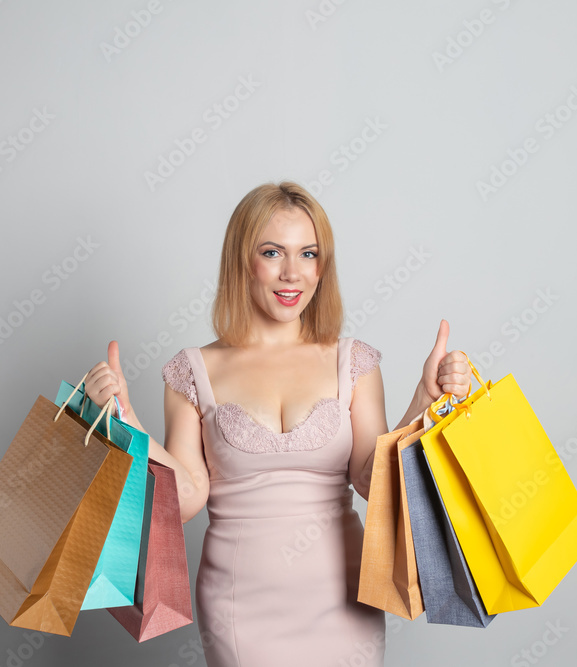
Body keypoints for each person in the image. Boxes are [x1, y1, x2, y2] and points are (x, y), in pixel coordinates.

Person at [81, 181, 473, 666]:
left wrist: (425, 401)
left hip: (343, 598)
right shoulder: (192, 369)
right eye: (272, 252)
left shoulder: (354, 361)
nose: (293, 273)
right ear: (241, 260)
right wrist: (126, 420)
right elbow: (184, 500)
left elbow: (375, 481)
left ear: (322, 266)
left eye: (308, 254)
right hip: (238, 605)